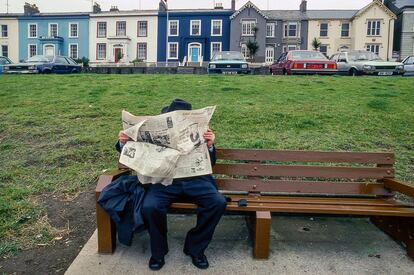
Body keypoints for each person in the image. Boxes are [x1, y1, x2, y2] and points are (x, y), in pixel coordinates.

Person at [117, 99, 226, 271]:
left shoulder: (201, 130)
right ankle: (158, 252)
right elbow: (134, 151)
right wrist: (123, 141)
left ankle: (195, 248)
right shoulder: (154, 128)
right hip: (164, 182)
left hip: (196, 181)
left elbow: (210, 163)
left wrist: (211, 145)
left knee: (218, 203)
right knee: (150, 206)